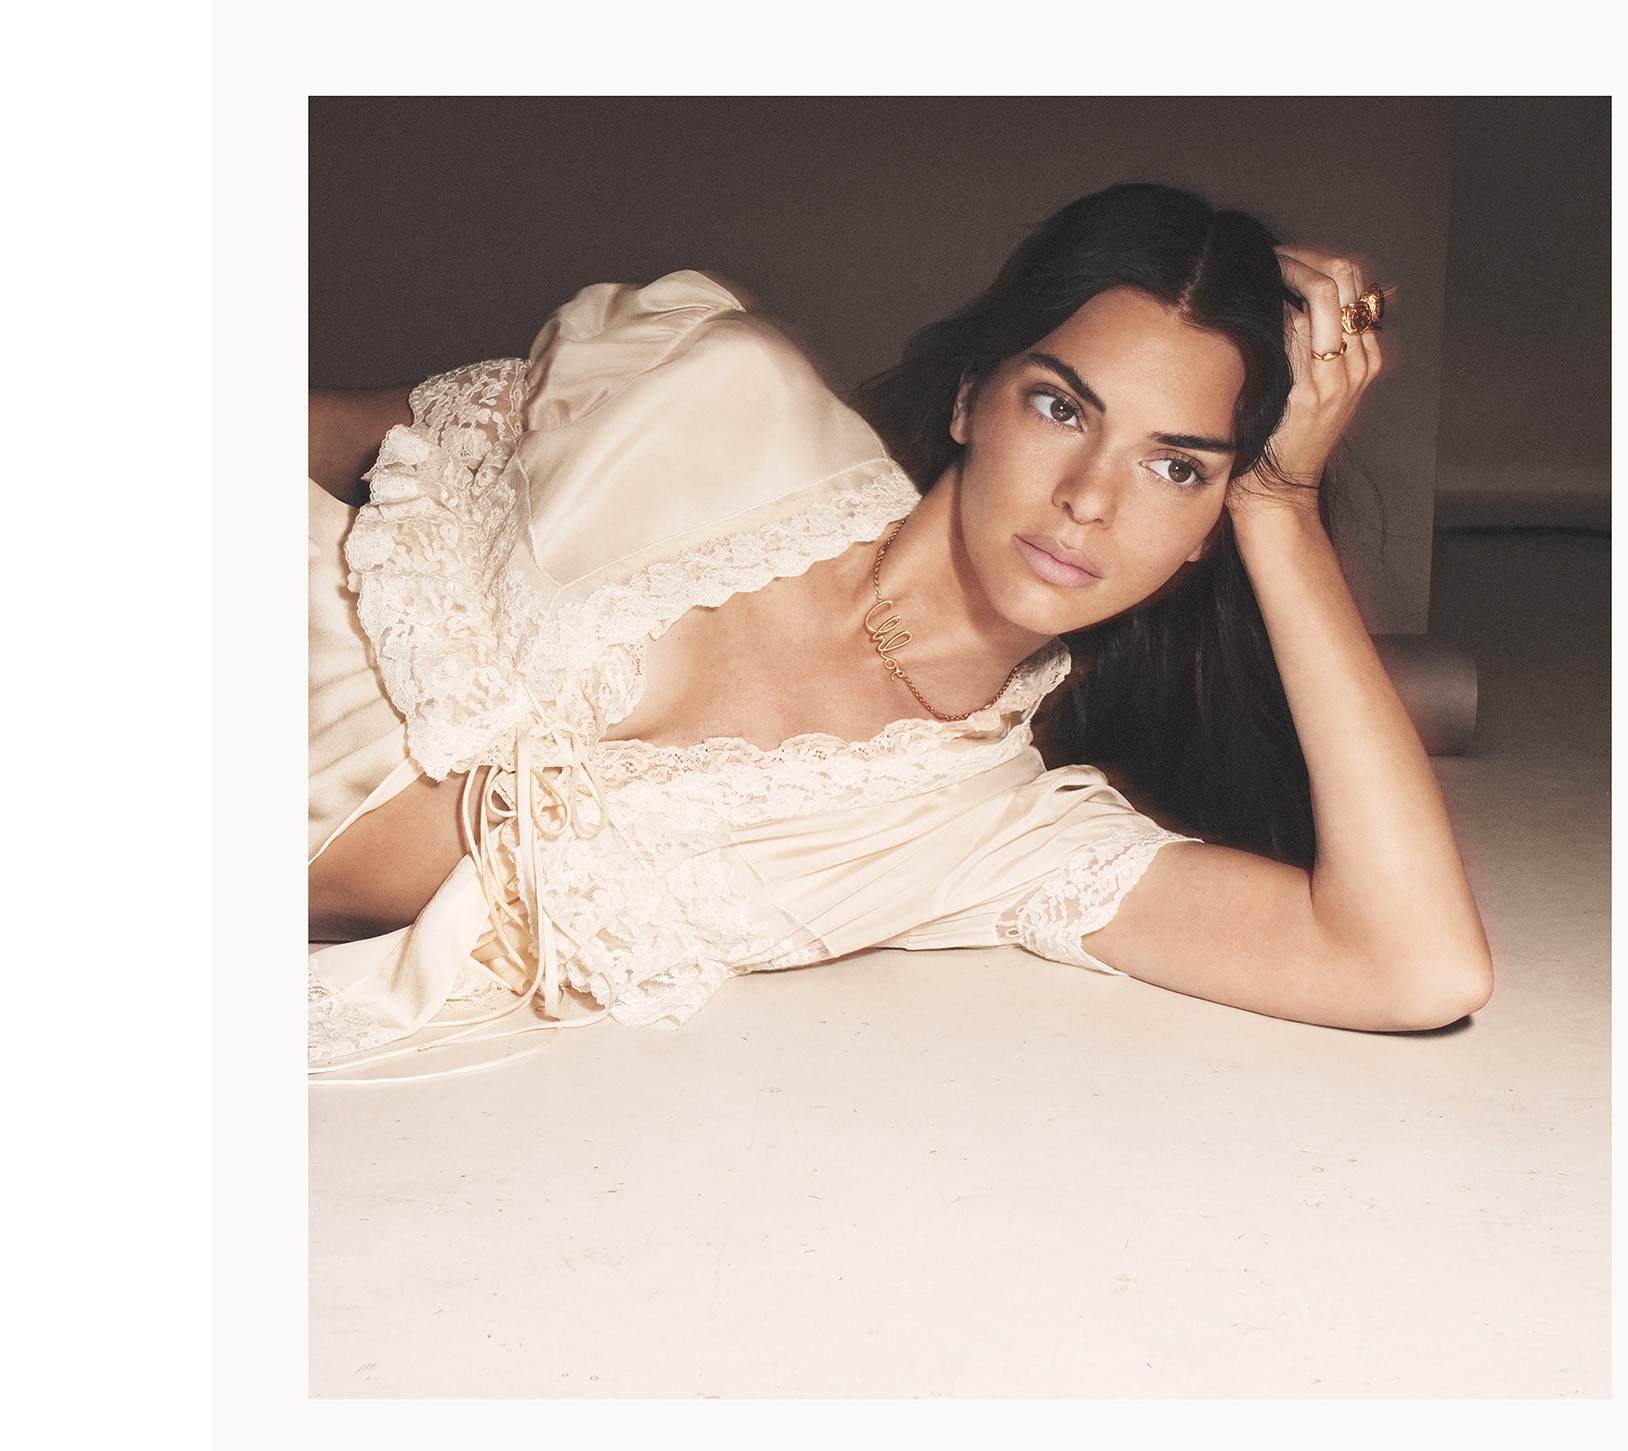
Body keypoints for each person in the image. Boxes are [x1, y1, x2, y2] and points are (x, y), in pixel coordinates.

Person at [306, 182, 1492, 1078]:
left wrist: (1282, 509)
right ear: (974, 397)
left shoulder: (981, 829)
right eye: (1060, 406)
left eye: (1176, 468)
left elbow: (1412, 966)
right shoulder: (729, 387)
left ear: (1207, 532)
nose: (1090, 497)